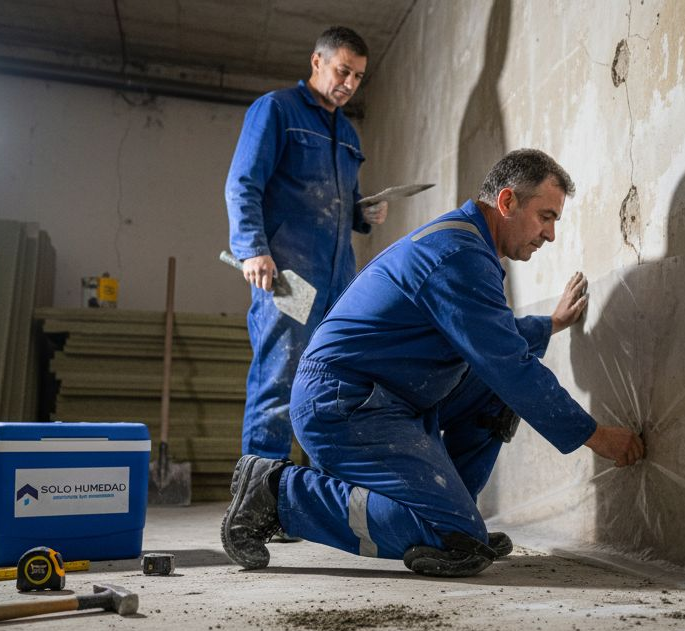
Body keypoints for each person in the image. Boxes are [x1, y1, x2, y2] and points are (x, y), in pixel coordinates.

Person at [221, 149, 645, 577]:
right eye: (546, 217)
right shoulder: (458, 255)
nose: (550, 234)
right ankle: (278, 493)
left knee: (492, 393)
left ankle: (457, 515)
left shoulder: (465, 244)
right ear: (507, 202)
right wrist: (595, 436)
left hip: (381, 397)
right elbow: (510, 365)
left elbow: (491, 336)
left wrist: (550, 324)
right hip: (342, 404)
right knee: (451, 533)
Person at [224, 25, 388, 463]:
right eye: (343, 71)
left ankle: (316, 493)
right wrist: (252, 249)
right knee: (279, 382)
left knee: (330, 385)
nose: (349, 84)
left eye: (358, 77)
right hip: (288, 277)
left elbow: (343, 202)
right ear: (317, 61)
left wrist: (364, 213)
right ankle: (263, 493)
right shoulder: (277, 110)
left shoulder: (348, 134)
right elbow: (242, 184)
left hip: (337, 283)